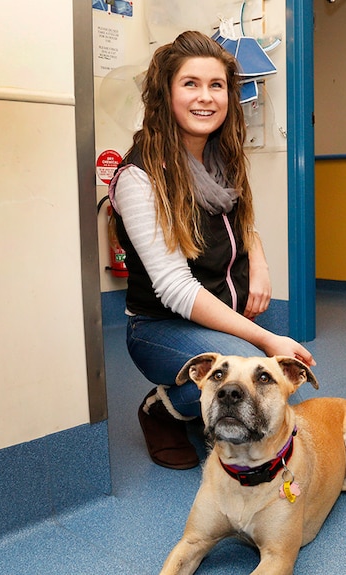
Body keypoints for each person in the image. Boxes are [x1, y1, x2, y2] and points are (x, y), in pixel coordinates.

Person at [108, 31, 315, 470]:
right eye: (190, 84)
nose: (206, 98)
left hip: (228, 312)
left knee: (262, 373)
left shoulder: (220, 157)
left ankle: (212, 404)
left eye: (216, 85)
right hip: (157, 325)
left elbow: (243, 222)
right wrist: (262, 335)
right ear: (166, 93)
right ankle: (163, 410)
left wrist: (258, 265)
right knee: (249, 365)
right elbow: (175, 289)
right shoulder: (139, 178)